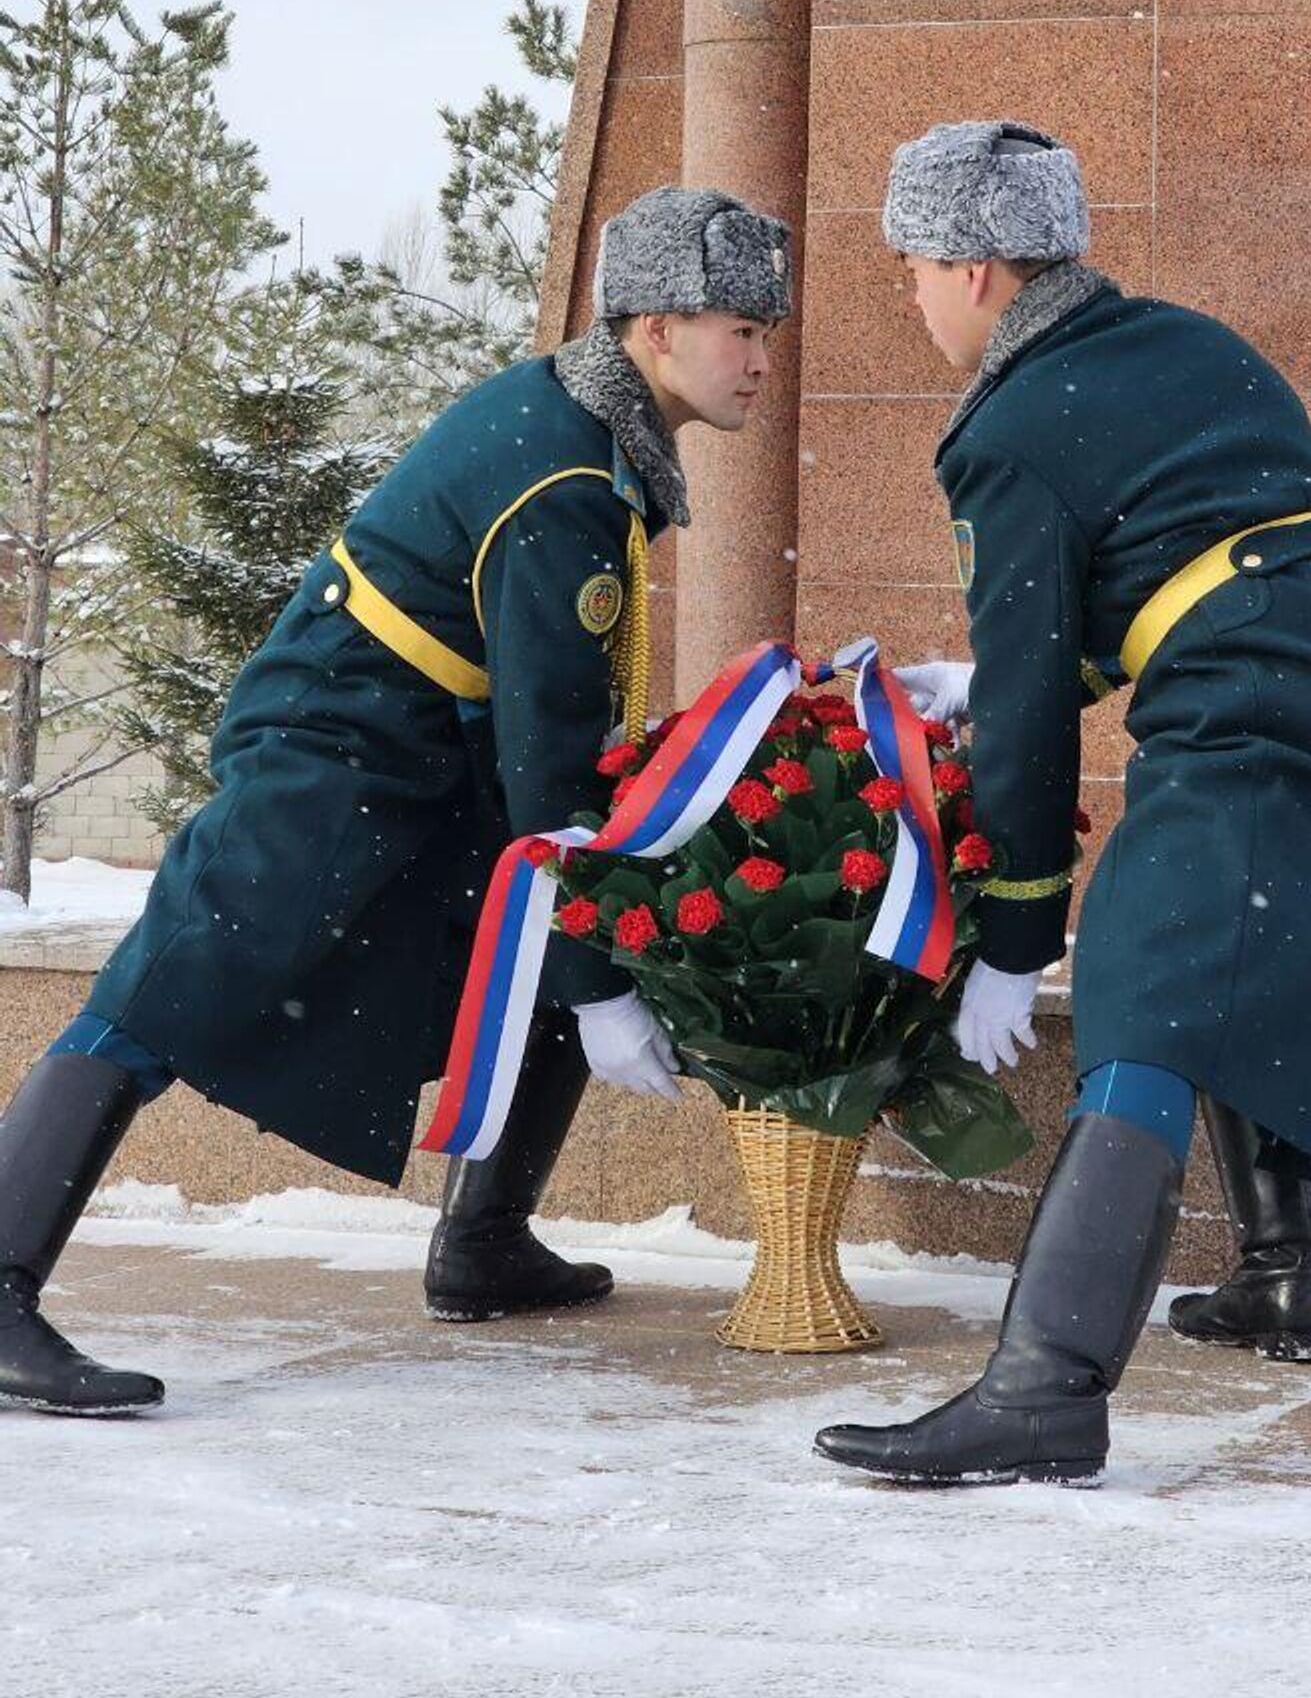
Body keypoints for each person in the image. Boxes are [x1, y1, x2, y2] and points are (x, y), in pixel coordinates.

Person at [0, 185, 790, 1416]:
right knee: (171, 981)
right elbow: (552, 779)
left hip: (420, 749)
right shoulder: (568, 482)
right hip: (336, 743)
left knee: (537, 949)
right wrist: (602, 977)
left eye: (766, 334)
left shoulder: (590, 427)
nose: (759, 358)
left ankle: (484, 1243)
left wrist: (584, 961)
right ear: (652, 327)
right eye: (741, 328)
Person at [816, 122, 1311, 1487]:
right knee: (1242, 946)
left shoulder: (1010, 424)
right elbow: (1205, 555)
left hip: (1270, 701)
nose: (910, 293)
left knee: (1148, 979)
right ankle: (1282, 1279)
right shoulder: (1182, 342)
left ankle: (1045, 1389)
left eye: (915, 265)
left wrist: (1014, 934)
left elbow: (1047, 704)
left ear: (981, 272)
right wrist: (988, 677)